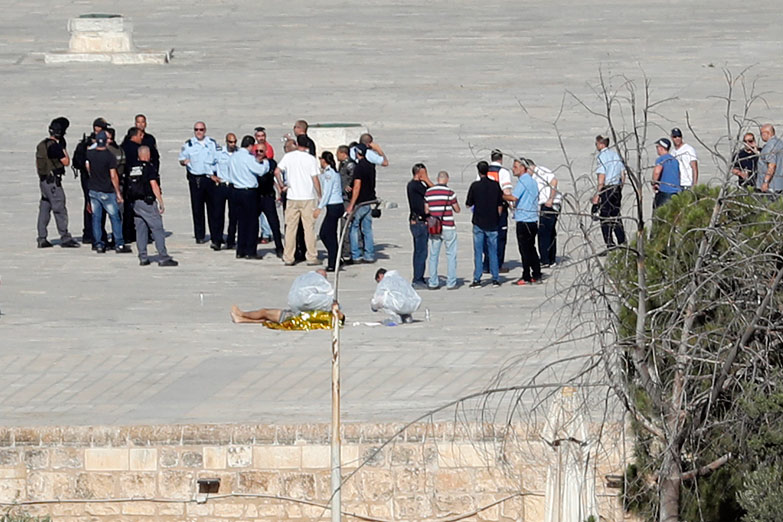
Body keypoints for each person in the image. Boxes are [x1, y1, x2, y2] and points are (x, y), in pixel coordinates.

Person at [231, 269, 343, 329]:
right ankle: (242, 316)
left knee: (266, 313)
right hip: (296, 315)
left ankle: (242, 316)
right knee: (266, 313)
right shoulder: (325, 308)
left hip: (295, 315)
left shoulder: (326, 317)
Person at [126, 146, 178, 267]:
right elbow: (153, 184)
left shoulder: (132, 167)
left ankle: (143, 256)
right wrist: (160, 201)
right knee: (157, 229)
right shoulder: (148, 167)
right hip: (147, 202)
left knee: (141, 230)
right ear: (148, 155)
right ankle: (163, 257)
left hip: (135, 203)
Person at [275, 134, 322, 265]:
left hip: (292, 197)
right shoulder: (310, 159)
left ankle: (288, 257)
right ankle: (311, 256)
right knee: (309, 228)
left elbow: (277, 171)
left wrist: (281, 185)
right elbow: (315, 179)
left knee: (290, 228)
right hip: (307, 197)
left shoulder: (288, 157)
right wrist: (320, 195)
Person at [35, 117, 79, 248]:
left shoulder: (42, 144)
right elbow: (66, 162)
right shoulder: (55, 146)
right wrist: (63, 148)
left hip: (43, 181)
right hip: (53, 182)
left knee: (44, 208)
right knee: (59, 208)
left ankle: (41, 237)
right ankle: (65, 237)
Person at [85, 131, 131, 254]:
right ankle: (119, 244)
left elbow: (88, 167)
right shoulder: (109, 156)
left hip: (93, 190)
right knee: (115, 217)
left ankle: (99, 244)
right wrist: (118, 193)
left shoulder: (90, 153)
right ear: (106, 141)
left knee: (96, 218)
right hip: (107, 190)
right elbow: (113, 176)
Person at [228, 135, 270, 259]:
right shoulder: (248, 157)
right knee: (252, 222)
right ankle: (250, 251)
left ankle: (240, 250)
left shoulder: (234, 156)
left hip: (236, 191)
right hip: (248, 192)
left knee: (241, 222)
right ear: (251, 146)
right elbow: (260, 170)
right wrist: (265, 162)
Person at [178, 121, 219, 245]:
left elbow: (218, 158)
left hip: (210, 178)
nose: (199, 132)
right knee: (197, 208)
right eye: (196, 129)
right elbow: (181, 159)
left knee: (213, 208)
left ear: (205, 130)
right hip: (196, 179)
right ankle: (199, 235)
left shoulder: (212, 143)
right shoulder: (189, 144)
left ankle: (215, 234)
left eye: (201, 129)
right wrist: (184, 162)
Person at [466, 161, 504, 288]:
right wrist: (497, 217)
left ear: (478, 171)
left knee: (478, 251)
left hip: (478, 222)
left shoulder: (475, 186)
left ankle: (477, 279)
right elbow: (500, 205)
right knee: (493, 251)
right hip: (493, 222)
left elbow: (468, 203)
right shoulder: (495, 185)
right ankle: (495, 278)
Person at [72, 117, 110, 244]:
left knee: (90, 203)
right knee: (94, 204)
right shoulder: (92, 144)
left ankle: (89, 232)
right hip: (91, 177)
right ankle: (95, 234)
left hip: (87, 178)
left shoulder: (88, 142)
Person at [424, 170, 460, 289]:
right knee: (451, 254)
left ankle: (433, 282)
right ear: (447, 179)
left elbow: (426, 211)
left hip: (435, 227)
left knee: (434, 255)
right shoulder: (450, 192)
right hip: (448, 225)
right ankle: (451, 282)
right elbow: (457, 209)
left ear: (437, 179)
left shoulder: (428, 192)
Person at [508, 158, 541, 285]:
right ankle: (536, 273)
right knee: (531, 248)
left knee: (524, 250)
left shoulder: (524, 181)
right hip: (533, 219)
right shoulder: (533, 182)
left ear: (523, 168)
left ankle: (526, 275)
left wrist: (501, 195)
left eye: (515, 167)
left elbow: (513, 197)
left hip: (524, 220)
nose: (513, 169)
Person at [592, 135, 626, 248]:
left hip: (607, 188)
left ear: (601, 144)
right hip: (617, 188)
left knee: (605, 217)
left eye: (596, 144)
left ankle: (609, 243)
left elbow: (602, 176)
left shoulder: (602, 157)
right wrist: (620, 187)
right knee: (616, 215)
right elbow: (623, 174)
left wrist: (598, 194)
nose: (596, 146)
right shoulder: (616, 155)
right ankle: (622, 241)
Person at [482, 150, 513, 273]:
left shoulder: (484, 170)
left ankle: (486, 264)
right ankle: (498, 264)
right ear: (501, 159)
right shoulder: (503, 172)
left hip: (484, 208)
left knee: (486, 236)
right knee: (500, 237)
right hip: (499, 208)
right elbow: (506, 191)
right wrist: (511, 205)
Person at [346, 144, 377, 264]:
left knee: (354, 227)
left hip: (360, 202)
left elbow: (357, 187)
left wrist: (351, 204)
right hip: (369, 200)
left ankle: (356, 255)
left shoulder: (359, 167)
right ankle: (369, 255)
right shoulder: (370, 166)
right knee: (367, 229)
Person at [527, 158, 561, 267]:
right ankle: (551, 258)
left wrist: (550, 198)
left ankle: (545, 259)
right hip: (544, 205)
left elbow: (554, 181)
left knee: (543, 232)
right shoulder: (533, 177)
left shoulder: (540, 171)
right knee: (550, 232)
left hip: (550, 204)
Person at [315, 151, 345, 271]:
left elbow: (327, 192)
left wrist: (319, 207)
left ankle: (333, 261)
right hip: (336, 205)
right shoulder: (330, 172)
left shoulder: (329, 174)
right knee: (331, 234)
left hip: (333, 205)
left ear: (324, 160)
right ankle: (336, 258)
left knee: (325, 234)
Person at [407, 163, 434, 286]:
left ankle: (419, 277)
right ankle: (418, 279)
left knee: (420, 251)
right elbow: (433, 191)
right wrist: (427, 180)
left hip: (419, 221)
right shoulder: (415, 185)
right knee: (421, 251)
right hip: (419, 222)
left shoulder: (417, 186)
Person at [255, 146, 283, 258]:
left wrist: (279, 191)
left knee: (274, 223)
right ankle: (251, 247)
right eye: (256, 151)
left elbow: (274, 178)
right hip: (256, 196)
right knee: (253, 223)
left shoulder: (271, 163)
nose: (258, 153)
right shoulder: (253, 163)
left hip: (268, 197)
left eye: (261, 151)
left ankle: (279, 247)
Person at [217, 133, 239, 249]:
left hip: (233, 185)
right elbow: (210, 163)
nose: (233, 144)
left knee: (233, 215)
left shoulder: (239, 153)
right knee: (218, 214)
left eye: (234, 142)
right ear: (226, 142)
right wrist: (212, 175)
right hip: (222, 185)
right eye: (231, 142)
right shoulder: (220, 152)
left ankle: (231, 239)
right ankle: (218, 239)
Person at [337, 144, 356, 260]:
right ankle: (343, 248)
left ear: (343, 153)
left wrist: (350, 186)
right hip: (342, 197)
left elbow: (355, 177)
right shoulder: (342, 164)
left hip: (347, 199)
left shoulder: (350, 165)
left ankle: (347, 251)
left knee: (347, 224)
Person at [652, 138, 681, 210]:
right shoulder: (675, 160)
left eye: (657, 147)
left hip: (664, 192)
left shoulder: (661, 159)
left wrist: (654, 182)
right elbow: (679, 174)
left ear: (661, 148)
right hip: (676, 192)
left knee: (659, 214)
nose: (657, 149)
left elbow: (657, 172)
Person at [757, 124, 783, 195]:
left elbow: (772, 166)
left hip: (771, 186)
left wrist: (766, 182)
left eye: (761, 133)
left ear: (767, 133)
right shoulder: (780, 143)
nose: (761, 136)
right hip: (780, 184)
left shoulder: (769, 146)